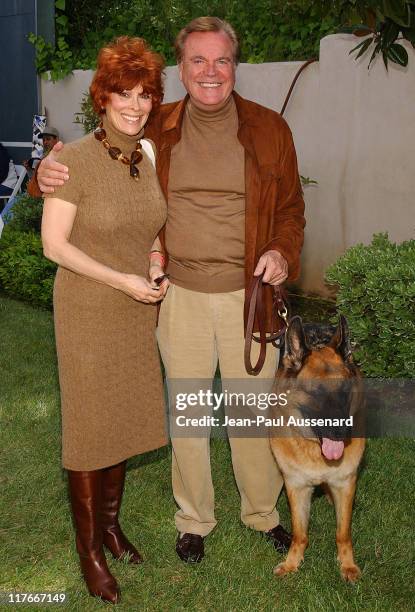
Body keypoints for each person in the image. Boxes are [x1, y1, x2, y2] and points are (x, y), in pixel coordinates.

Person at [33, 17, 305, 565]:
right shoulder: (156, 126)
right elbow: (100, 155)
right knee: (189, 414)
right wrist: (47, 170)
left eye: (221, 60)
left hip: (247, 297)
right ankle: (194, 519)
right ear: (182, 69)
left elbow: (292, 212)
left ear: (235, 66)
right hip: (176, 294)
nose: (210, 71)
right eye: (198, 61)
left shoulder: (270, 129)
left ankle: (262, 512)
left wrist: (281, 251)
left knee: (253, 415)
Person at [40, 36, 168, 603]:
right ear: (102, 97)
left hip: (136, 308)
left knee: (123, 418)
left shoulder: (149, 155)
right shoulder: (72, 162)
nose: (136, 105)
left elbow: (152, 222)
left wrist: (156, 260)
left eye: (145, 94)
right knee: (92, 427)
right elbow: (53, 246)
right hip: (90, 310)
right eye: (124, 94)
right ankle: (89, 550)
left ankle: (112, 527)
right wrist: (122, 280)